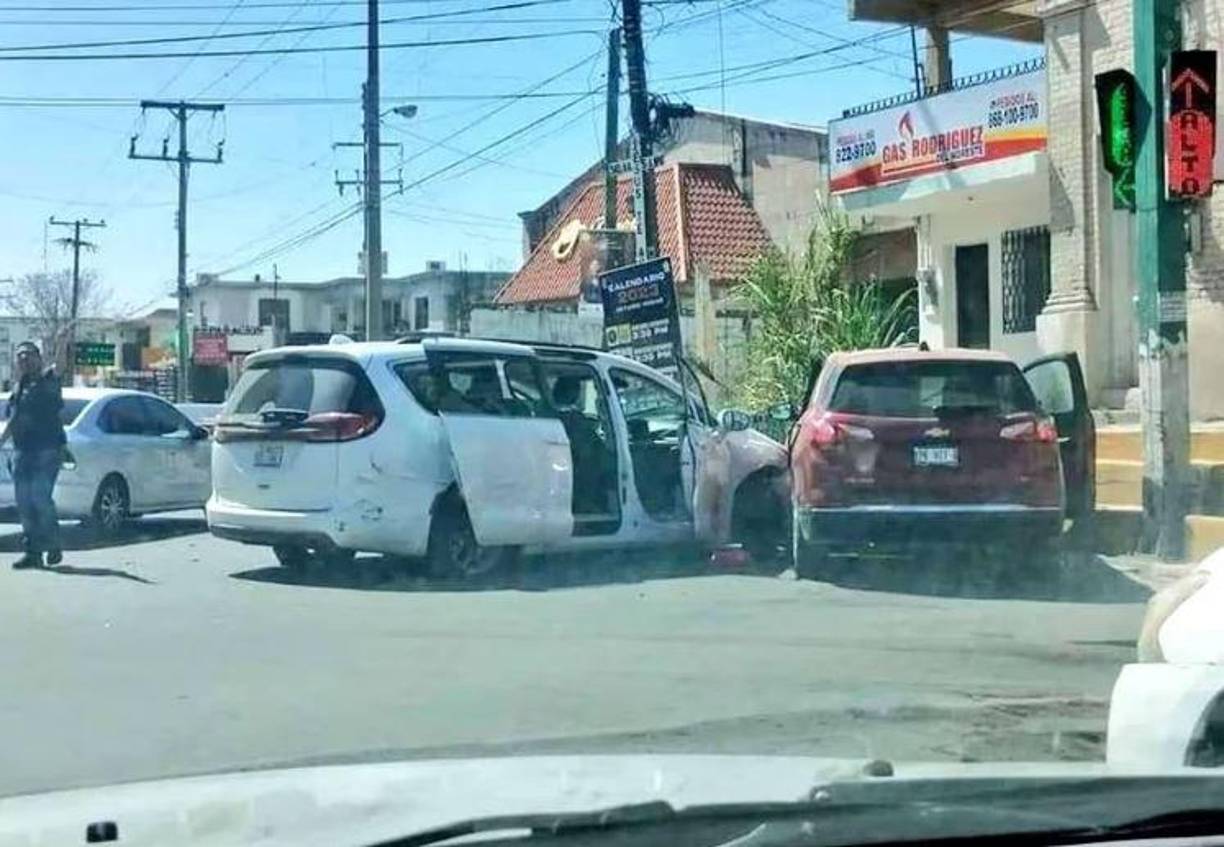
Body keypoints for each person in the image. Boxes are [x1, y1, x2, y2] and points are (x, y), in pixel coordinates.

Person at [0, 341, 66, 569]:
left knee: (40, 496)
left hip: (48, 449)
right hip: (23, 451)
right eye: (20, 357)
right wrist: (2, 441)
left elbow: (60, 365)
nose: (24, 360)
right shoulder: (19, 387)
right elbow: (13, 419)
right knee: (24, 502)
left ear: (38, 358)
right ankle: (33, 552)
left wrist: (62, 342)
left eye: (28, 355)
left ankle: (53, 544)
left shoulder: (49, 379)